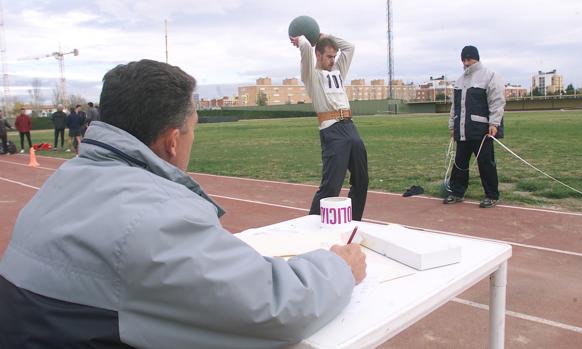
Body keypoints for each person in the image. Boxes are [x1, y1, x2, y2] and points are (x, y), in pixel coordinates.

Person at [0, 59, 366, 349]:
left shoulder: (63, 182)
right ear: (173, 140)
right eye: (193, 126)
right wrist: (338, 267)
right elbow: (276, 308)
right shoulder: (153, 214)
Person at [290, 32, 369, 221]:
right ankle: (312, 225)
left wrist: (326, 36)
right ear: (318, 55)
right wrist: (302, 39)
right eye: (329, 56)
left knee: (362, 179)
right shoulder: (312, 76)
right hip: (332, 132)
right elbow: (306, 51)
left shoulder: (338, 72)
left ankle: (353, 221)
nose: (333, 60)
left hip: (350, 127)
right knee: (331, 186)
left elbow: (350, 47)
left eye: (334, 56)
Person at [444, 45, 506, 208]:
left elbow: (497, 101)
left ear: (476, 58)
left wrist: (494, 123)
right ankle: (457, 192)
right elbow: (454, 106)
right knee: (459, 163)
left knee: (486, 163)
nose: (466, 62)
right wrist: (452, 125)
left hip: (481, 131)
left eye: (469, 59)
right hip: (462, 130)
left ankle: (492, 194)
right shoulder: (459, 80)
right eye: (463, 59)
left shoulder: (489, 76)